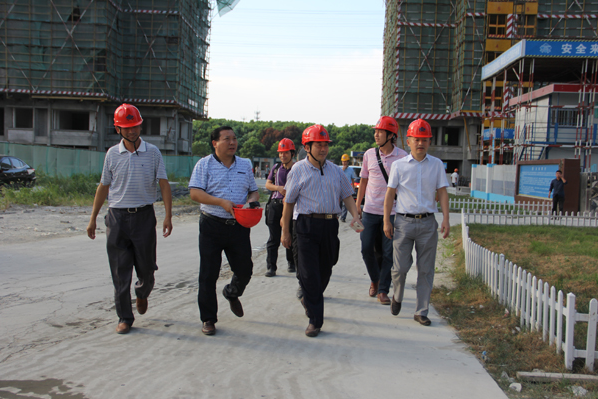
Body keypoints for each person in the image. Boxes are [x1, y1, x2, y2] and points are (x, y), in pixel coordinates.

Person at [86, 103, 173, 335]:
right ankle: (125, 317)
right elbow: (103, 187)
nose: (132, 131)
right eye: (127, 128)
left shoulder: (153, 152)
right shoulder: (112, 154)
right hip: (116, 219)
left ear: (140, 125)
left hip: (144, 217)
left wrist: (168, 215)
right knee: (119, 271)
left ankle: (142, 292)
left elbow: (163, 185)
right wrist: (93, 218)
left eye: (135, 126)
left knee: (147, 269)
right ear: (118, 130)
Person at [281, 124, 363, 337]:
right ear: (307, 147)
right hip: (305, 226)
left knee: (326, 269)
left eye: (326, 145)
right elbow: (288, 203)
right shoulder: (298, 170)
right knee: (309, 274)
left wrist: (355, 215)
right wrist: (285, 231)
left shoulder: (336, 171)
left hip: (330, 225)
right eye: (319, 145)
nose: (323, 149)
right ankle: (315, 320)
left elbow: (347, 195)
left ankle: (308, 298)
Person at [188, 126, 259, 336]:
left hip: (238, 225)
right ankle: (208, 319)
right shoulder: (204, 165)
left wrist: (252, 203)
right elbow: (194, 193)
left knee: (245, 269)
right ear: (215, 143)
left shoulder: (245, 164)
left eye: (234, 139)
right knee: (208, 274)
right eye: (227, 139)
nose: (232, 142)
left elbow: (253, 191)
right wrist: (220, 202)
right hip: (212, 224)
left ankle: (231, 292)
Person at [383, 118, 450, 327]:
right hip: (403, 223)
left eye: (425, 139)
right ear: (409, 141)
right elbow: (390, 194)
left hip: (428, 223)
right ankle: (398, 295)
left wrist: (446, 218)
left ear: (429, 142)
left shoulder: (437, 165)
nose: (421, 143)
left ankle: (421, 311)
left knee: (426, 269)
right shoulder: (399, 165)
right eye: (416, 139)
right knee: (400, 268)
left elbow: (442, 192)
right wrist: (387, 220)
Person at [355, 116, 408, 305]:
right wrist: (357, 205)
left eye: (380, 131)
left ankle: (383, 290)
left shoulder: (402, 157)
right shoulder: (369, 154)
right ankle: (375, 279)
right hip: (369, 211)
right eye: (375, 131)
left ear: (391, 135)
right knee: (366, 248)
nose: (376, 134)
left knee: (388, 253)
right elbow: (363, 182)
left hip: (393, 213)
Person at [264, 138, 296, 277]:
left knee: (291, 235)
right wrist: (278, 188)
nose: (283, 155)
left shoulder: (297, 168)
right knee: (273, 238)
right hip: (275, 206)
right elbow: (267, 184)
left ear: (292, 153)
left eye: (286, 152)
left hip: (291, 208)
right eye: (281, 153)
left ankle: (292, 263)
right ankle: (271, 267)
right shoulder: (276, 168)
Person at [340, 153, 356, 222]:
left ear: (348, 162)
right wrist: (343, 169)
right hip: (339, 187)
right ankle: (337, 215)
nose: (344, 163)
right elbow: (337, 176)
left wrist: (353, 187)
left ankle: (343, 217)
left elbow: (353, 179)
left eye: (346, 161)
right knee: (338, 203)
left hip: (347, 188)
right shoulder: (339, 168)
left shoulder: (351, 169)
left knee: (345, 204)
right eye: (343, 161)